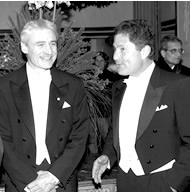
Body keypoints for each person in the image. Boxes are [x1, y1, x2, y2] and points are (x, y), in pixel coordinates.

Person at [92, 19, 190, 192]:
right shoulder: (118, 87)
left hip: (162, 181)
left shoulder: (178, 85)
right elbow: (116, 130)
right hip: (124, 180)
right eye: (115, 49)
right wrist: (108, 156)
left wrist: (174, 184)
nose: (115, 56)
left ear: (144, 51)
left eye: (122, 49)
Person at [0, 19, 89, 192]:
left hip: (61, 181)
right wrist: (32, 184)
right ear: (24, 48)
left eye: (52, 44)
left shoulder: (73, 85)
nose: (48, 51)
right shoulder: (4, 87)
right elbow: (3, 141)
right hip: (21, 183)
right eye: (40, 44)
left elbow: (79, 137)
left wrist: (53, 177)